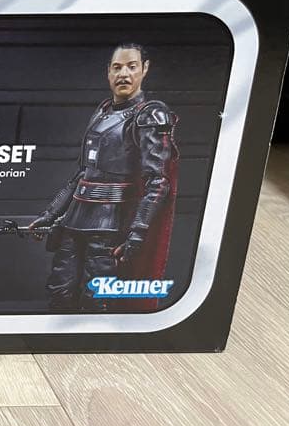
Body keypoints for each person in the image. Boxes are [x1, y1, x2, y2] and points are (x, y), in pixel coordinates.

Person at [29, 44, 179, 311]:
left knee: (97, 297)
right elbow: (83, 174)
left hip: (113, 224)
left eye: (131, 66)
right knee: (60, 291)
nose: (124, 74)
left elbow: (158, 181)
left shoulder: (150, 114)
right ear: (108, 72)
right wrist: (50, 214)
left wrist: (137, 232)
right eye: (117, 67)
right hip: (75, 220)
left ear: (144, 69)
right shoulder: (103, 111)